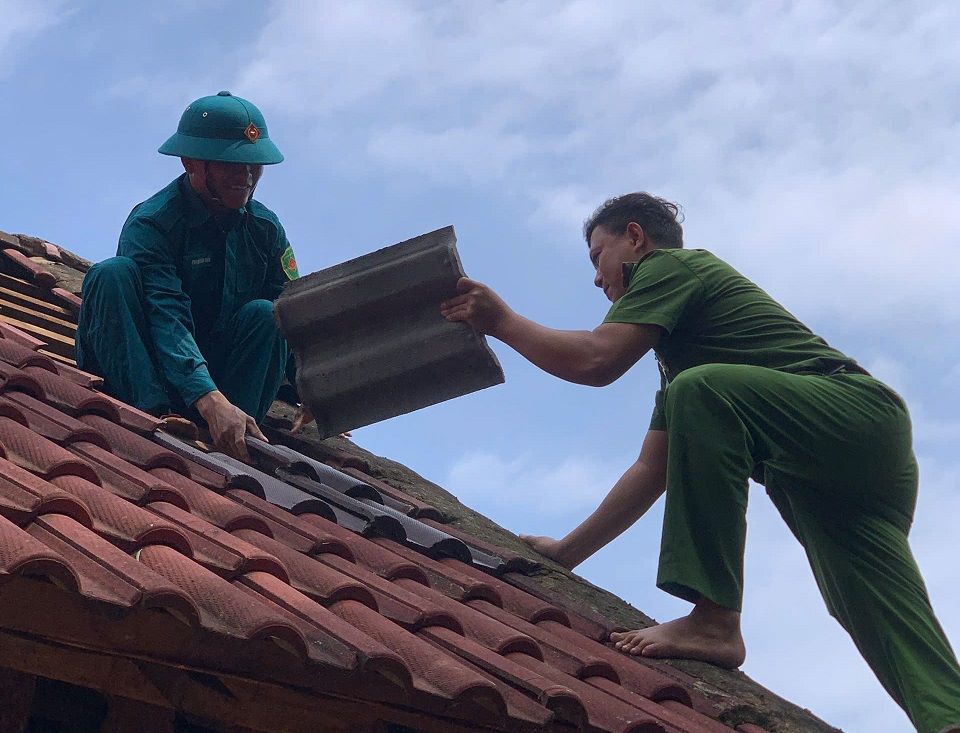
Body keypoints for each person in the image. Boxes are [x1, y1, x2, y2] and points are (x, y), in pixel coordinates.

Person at [440, 192, 960, 733]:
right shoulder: (684, 373)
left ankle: (713, 618)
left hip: (852, 414)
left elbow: (597, 360)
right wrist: (568, 552)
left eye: (598, 257)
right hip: (836, 470)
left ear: (636, 238)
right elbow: (650, 471)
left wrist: (501, 321)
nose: (597, 280)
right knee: (875, 608)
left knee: (703, 390)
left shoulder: (672, 269)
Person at [76, 91, 307, 461]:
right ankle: (153, 413)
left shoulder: (265, 228)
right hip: (148, 374)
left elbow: (295, 314)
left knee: (270, 313)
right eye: (232, 165)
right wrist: (205, 397)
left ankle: (236, 434)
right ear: (191, 163)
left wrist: (312, 385)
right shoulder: (153, 223)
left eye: (254, 165)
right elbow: (165, 315)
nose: (246, 176)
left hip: (223, 384)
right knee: (112, 275)